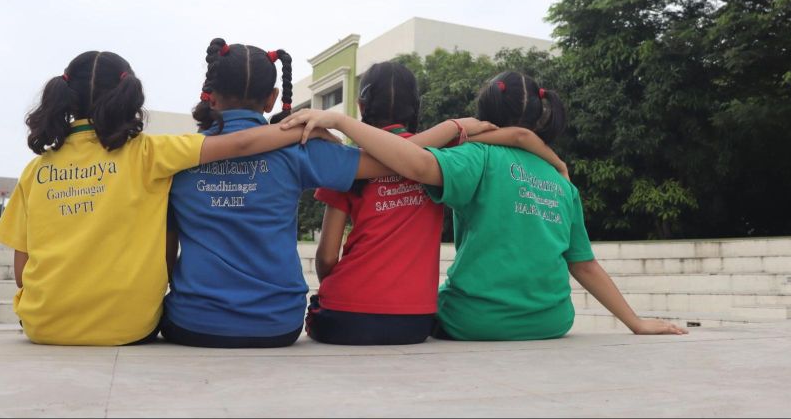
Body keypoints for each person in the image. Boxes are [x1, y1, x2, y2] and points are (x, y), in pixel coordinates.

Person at [162, 42, 567, 348]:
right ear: (271, 99)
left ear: (209, 93)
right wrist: (455, 128)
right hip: (277, 325)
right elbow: (400, 162)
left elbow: (167, 251)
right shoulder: (301, 149)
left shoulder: (174, 157)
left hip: (193, 324)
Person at [282, 71, 689, 341]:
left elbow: (418, 162)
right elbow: (583, 264)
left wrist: (343, 124)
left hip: (475, 321)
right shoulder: (562, 183)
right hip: (552, 322)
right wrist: (634, 322)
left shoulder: (476, 158)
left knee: (415, 306)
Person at [0, 50, 330, 346]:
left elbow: (22, 274)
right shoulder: (152, 153)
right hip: (129, 327)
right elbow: (241, 144)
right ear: (128, 96)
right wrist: (305, 126)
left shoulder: (35, 171)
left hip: (43, 325)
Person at [306, 61, 566, 345]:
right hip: (414, 323)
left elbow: (327, 257)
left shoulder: (348, 163)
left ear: (361, 105)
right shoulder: (443, 152)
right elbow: (519, 136)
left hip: (346, 319)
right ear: (417, 106)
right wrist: (557, 163)